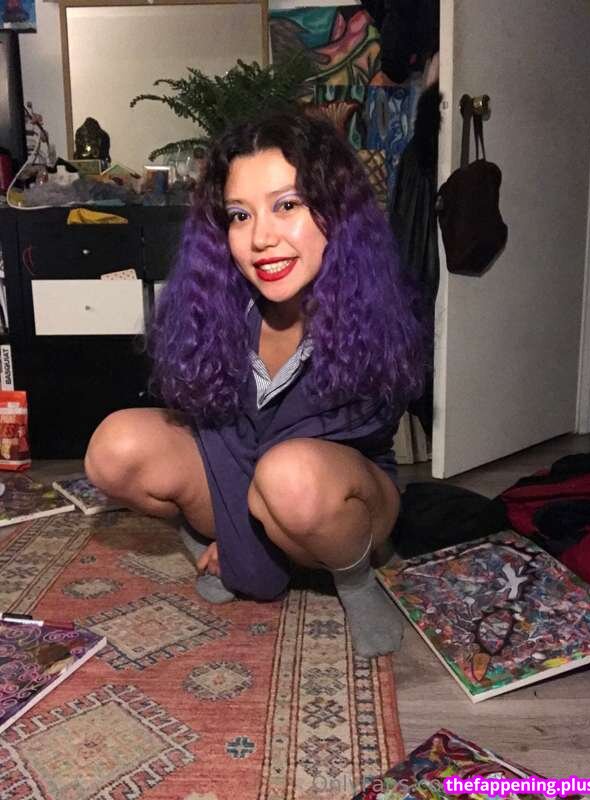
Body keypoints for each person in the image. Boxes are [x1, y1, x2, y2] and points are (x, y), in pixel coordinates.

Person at [85, 110, 426, 658]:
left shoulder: (373, 307)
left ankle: (354, 577)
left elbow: (352, 433)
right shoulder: (219, 301)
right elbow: (210, 423)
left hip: (334, 489)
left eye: (287, 205)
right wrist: (237, 538)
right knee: (114, 447)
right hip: (240, 472)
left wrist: (246, 554)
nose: (261, 238)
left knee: (289, 475)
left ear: (335, 211)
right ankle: (213, 539)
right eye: (240, 215)